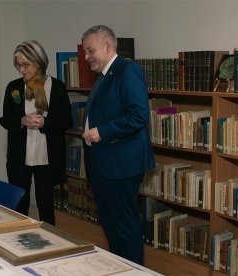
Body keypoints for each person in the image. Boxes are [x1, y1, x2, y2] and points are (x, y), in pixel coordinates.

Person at [81, 25, 155, 265]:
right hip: (104, 164)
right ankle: (119, 268)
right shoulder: (103, 76)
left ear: (107, 46)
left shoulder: (127, 70)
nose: (86, 57)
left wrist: (102, 132)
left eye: (90, 50)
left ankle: (133, 270)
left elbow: (139, 115)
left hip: (121, 164)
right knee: (112, 226)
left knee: (124, 226)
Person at [0, 40, 73, 225]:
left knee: (46, 206)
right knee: (19, 204)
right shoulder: (13, 88)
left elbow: (67, 121)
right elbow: (5, 119)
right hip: (19, 157)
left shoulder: (56, 87)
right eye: (18, 65)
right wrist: (22, 120)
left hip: (47, 157)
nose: (21, 70)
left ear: (38, 62)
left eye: (26, 65)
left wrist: (45, 122)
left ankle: (50, 245)